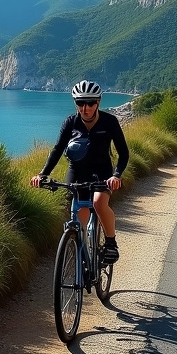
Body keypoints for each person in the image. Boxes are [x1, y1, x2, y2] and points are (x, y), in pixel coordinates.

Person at [31, 80, 129, 263]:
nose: (85, 108)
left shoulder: (110, 121)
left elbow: (123, 153)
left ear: (98, 102)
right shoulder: (70, 122)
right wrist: (42, 174)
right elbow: (58, 149)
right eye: (80, 103)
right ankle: (82, 254)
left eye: (91, 103)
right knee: (79, 215)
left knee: (99, 203)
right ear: (75, 103)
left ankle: (110, 243)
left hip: (103, 171)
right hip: (76, 170)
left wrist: (116, 175)